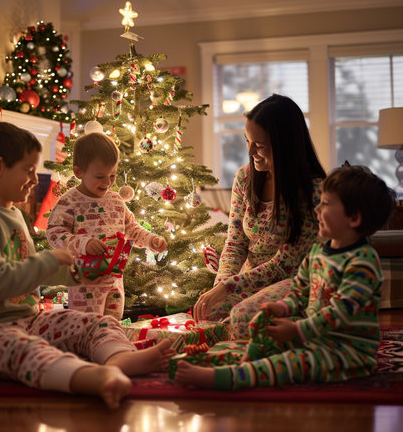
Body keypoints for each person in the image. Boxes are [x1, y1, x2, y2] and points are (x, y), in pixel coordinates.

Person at [0, 122, 173, 409]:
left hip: (28, 319)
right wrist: (49, 260)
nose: (35, 179)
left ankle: (119, 357)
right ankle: (90, 378)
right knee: (26, 351)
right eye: (28, 170)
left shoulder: (13, 215)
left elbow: (27, 267)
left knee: (96, 322)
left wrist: (75, 274)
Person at [176, 165, 396, 390]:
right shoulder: (319, 251)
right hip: (315, 337)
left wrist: (297, 330)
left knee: (291, 363)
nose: (317, 209)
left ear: (354, 218)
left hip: (345, 351)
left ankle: (226, 379)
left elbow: (338, 313)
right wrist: (281, 308)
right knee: (263, 326)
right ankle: (245, 360)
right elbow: (300, 293)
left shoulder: (362, 263)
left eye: (326, 203)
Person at [194, 94, 326, 339]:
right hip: (248, 280)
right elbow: (235, 243)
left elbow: (285, 263)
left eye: (260, 145)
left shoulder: (314, 190)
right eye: (247, 141)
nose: (250, 151)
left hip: (294, 281)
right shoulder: (245, 178)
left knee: (244, 318)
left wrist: (228, 287)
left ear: (284, 144)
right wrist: (220, 285)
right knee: (208, 312)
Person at [46, 132, 167, 319]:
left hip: (114, 281)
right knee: (87, 329)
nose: (108, 182)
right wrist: (83, 243)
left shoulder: (116, 200)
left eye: (113, 175)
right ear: (79, 172)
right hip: (85, 283)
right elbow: (55, 234)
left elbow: (131, 228)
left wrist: (151, 240)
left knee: (113, 326)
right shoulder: (69, 201)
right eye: (100, 176)